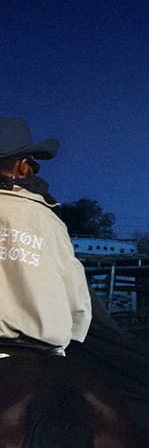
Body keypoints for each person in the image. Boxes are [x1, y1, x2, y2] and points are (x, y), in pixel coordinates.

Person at [0, 117, 91, 353]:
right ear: (21, 167)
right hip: (37, 346)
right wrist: (75, 333)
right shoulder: (45, 219)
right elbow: (75, 292)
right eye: (33, 164)